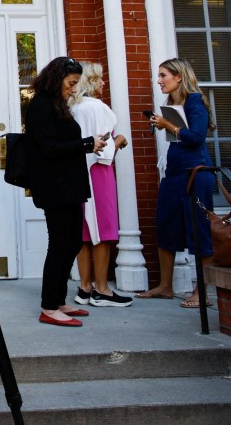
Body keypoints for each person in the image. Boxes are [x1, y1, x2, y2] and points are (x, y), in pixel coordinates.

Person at [25, 56, 107, 327]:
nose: (74, 89)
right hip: (54, 187)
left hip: (70, 185)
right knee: (60, 244)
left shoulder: (58, 105)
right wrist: (86, 144)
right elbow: (48, 148)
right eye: (71, 83)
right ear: (56, 79)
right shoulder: (39, 106)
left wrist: (88, 144)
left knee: (72, 242)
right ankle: (49, 306)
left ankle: (59, 300)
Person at [136, 58, 215, 308]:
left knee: (199, 229)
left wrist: (167, 124)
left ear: (179, 77)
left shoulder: (195, 102)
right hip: (174, 173)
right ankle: (165, 286)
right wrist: (165, 124)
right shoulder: (174, 103)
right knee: (166, 225)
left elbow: (197, 137)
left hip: (195, 172)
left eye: (163, 76)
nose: (159, 81)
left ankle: (201, 291)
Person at [68, 62, 133, 308]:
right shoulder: (98, 108)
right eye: (100, 79)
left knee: (83, 232)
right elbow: (104, 150)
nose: (103, 83)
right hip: (98, 172)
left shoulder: (71, 108)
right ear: (92, 81)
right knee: (104, 231)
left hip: (76, 173)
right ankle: (103, 289)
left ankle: (84, 287)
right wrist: (119, 140)